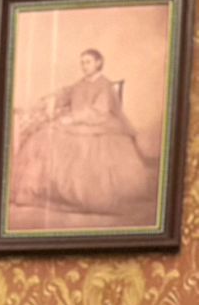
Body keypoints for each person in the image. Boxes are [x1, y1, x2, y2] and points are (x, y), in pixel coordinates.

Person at [10, 48, 154, 215]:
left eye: (88, 62)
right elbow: (66, 94)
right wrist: (50, 100)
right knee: (44, 136)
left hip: (100, 125)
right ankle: (48, 191)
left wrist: (72, 119)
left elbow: (99, 111)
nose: (84, 66)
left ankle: (82, 196)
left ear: (98, 63)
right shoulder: (80, 84)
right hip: (76, 124)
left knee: (85, 150)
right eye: (82, 63)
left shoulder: (105, 85)